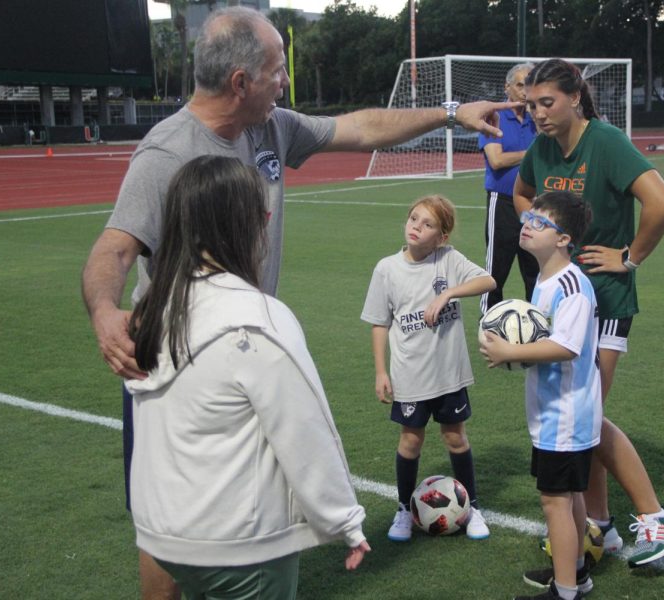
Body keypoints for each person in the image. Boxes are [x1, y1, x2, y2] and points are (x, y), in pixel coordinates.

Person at [80, 7, 516, 597]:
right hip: (180, 355)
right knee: (166, 515)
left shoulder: (270, 126)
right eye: (277, 69)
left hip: (247, 342)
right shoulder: (166, 153)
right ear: (241, 81)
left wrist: (447, 115)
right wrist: (106, 313)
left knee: (253, 498)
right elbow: (114, 248)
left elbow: (358, 128)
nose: (285, 80)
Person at [125, 155, 369, 599]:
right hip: (238, 542)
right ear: (248, 223)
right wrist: (344, 520)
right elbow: (304, 430)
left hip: (165, 533)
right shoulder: (257, 319)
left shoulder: (156, 308)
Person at [513, 59, 664, 568]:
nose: (538, 114)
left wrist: (629, 257)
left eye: (547, 103)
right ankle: (601, 527)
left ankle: (656, 517)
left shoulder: (605, 142)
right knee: (578, 420)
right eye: (531, 104)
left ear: (574, 98)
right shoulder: (543, 148)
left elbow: (662, 202)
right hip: (569, 301)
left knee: (584, 416)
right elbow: (522, 192)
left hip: (605, 299)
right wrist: (539, 238)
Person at [480, 191, 601, 600]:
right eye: (528, 218)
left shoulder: (572, 284)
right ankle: (577, 574)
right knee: (569, 498)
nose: (527, 225)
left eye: (539, 223)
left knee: (555, 503)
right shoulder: (546, 281)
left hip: (566, 415)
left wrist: (510, 352)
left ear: (564, 238)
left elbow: (567, 347)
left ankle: (565, 591)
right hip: (553, 412)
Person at [360, 195, 496, 542]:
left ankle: (474, 507)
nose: (416, 227)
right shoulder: (386, 269)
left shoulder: (448, 260)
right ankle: (405, 510)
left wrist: (448, 293)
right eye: (414, 219)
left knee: (455, 437)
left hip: (448, 373)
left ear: (442, 237)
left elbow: (488, 282)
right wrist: (380, 371)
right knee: (410, 441)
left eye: (428, 224)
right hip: (410, 375)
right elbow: (379, 323)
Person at [478, 62, 539, 313]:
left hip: (536, 205)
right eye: (521, 85)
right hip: (502, 202)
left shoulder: (540, 118)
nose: (526, 91)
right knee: (495, 272)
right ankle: (488, 324)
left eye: (531, 85)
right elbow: (497, 160)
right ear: (508, 87)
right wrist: (534, 152)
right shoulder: (494, 117)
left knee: (536, 272)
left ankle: (539, 326)